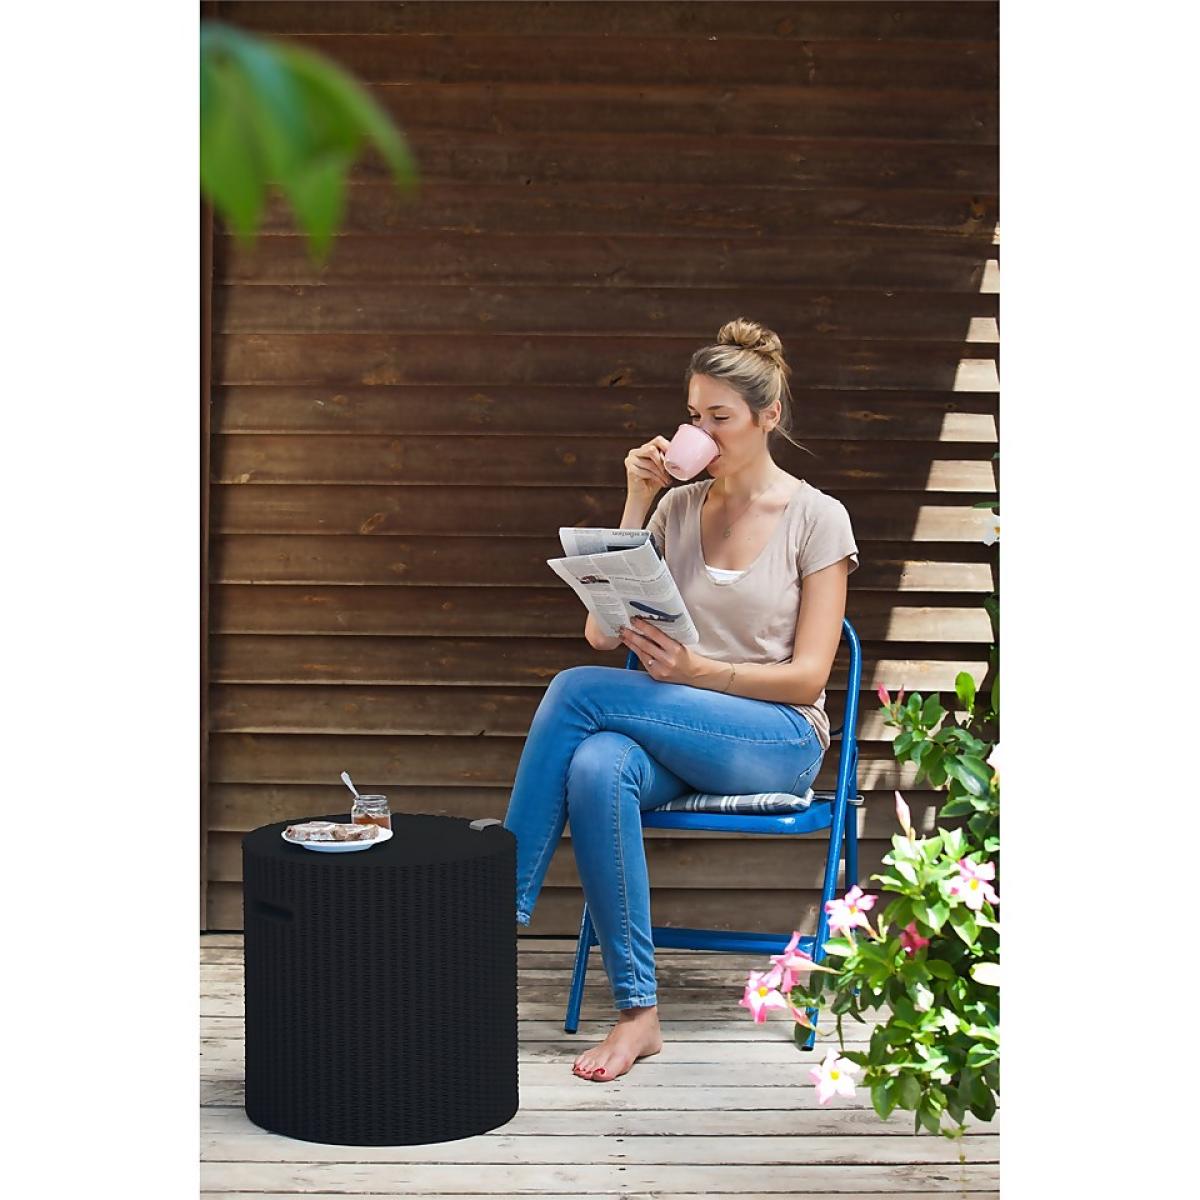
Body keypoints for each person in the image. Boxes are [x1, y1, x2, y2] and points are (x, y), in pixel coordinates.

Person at [502, 318, 859, 1083]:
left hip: (778, 738)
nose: (701, 433)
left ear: (768, 416)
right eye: (694, 415)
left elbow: (807, 678)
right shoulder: (678, 510)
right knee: (598, 764)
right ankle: (640, 1014)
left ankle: (491, 914)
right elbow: (603, 633)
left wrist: (699, 671)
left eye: (720, 417)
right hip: (682, 735)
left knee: (575, 691)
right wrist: (638, 500)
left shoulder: (817, 518)